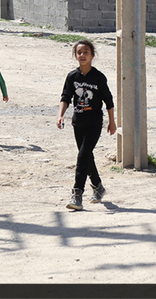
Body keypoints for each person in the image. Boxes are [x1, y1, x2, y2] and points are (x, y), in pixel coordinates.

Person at [57, 39, 116, 211]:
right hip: (78, 123)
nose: (82, 55)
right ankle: (98, 187)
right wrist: (60, 115)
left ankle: (77, 195)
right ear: (75, 55)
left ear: (92, 55)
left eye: (86, 52)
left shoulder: (98, 77)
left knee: (82, 157)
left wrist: (112, 122)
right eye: (79, 52)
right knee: (86, 156)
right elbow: (65, 97)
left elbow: (109, 101)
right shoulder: (72, 77)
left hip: (94, 123)